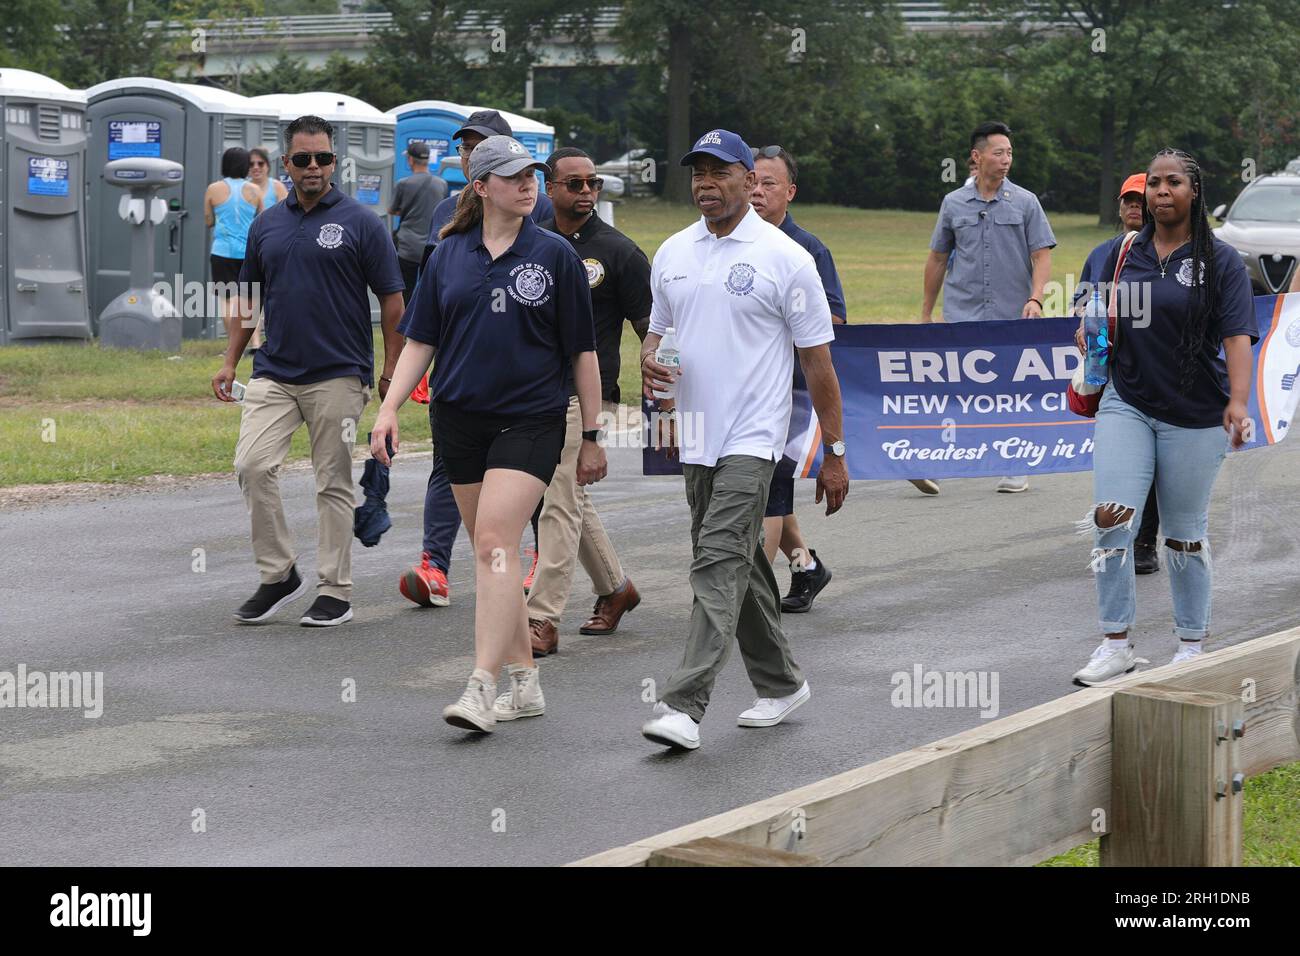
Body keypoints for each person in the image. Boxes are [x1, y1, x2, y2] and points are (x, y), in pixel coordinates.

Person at [370, 135, 606, 733]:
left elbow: (583, 352)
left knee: (496, 543)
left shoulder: (554, 256)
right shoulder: (446, 254)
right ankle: (526, 686)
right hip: (459, 421)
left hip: (531, 420)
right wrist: (389, 408)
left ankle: (481, 685)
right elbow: (421, 338)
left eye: (532, 175)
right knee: (491, 554)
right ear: (480, 187)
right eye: (512, 176)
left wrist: (594, 432)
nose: (528, 184)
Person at [638, 129, 848, 751]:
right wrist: (650, 362)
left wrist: (833, 453)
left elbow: (819, 366)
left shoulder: (787, 258)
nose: (705, 182)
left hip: (755, 435)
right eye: (696, 171)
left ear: (748, 180)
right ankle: (782, 683)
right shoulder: (673, 251)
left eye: (719, 171)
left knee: (716, 558)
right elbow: (657, 337)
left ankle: (684, 703)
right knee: (741, 561)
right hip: (693, 434)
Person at [211, 115, 407, 627]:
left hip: (339, 373)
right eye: (303, 159)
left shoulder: (362, 222)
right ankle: (278, 575)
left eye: (322, 158)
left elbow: (392, 301)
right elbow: (248, 297)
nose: (314, 167)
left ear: (334, 163)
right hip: (273, 370)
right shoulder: (266, 223)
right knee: (251, 466)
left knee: (332, 481)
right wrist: (231, 359)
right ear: (286, 165)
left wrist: (390, 371)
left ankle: (335, 589)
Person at [1070, 148, 1256, 686]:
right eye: (1154, 183)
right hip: (1126, 401)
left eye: (1173, 182)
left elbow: (1238, 336)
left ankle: (1191, 647)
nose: (1161, 192)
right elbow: (1091, 312)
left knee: (1182, 535)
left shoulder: (1219, 261)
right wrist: (1088, 330)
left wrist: (1238, 402)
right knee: (1111, 516)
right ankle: (1114, 643)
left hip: (1196, 415)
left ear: (1193, 192)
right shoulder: (1120, 252)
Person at [399, 109, 553, 609]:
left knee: (528, 477)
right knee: (449, 465)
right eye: (463, 146)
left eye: (479, 145)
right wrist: (421, 366)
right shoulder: (447, 212)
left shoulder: (537, 207)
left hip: (528, 385)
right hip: (461, 377)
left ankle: (540, 557)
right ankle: (435, 566)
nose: (467, 153)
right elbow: (436, 292)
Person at [523, 146, 650, 655]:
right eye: (573, 183)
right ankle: (617, 589)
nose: (585, 192)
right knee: (568, 498)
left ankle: (541, 618)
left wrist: (666, 384)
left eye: (592, 183)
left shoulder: (619, 252)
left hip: (587, 396)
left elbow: (653, 331)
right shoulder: (530, 241)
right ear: (549, 187)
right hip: (531, 392)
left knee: (556, 502)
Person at [922, 120, 1056, 494]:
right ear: (977, 157)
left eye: (1010, 153)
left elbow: (1041, 256)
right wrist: (926, 313)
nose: (1006, 159)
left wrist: (1036, 299)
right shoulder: (953, 204)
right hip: (962, 312)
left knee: (1010, 389)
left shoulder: (1026, 202)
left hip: (1012, 314)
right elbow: (937, 259)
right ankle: (927, 461)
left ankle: (1014, 464)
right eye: (999, 152)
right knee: (953, 389)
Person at [747, 144, 844, 613]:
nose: (757, 192)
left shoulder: (807, 250)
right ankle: (806, 566)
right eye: (751, 182)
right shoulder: (727, 242)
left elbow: (834, 323)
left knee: (767, 494)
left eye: (768, 183)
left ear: (790, 192)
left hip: (789, 397)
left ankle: (750, 602)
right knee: (759, 490)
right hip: (735, 395)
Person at [1074, 172, 1163, 575]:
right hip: (1116, 376)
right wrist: (1085, 326)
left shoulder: (1168, 253)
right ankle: (1120, 537)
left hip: (1159, 373)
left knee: (1159, 465)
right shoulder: (1103, 253)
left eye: (1138, 200)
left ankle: (1146, 542)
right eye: (1126, 200)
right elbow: (1082, 304)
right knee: (1123, 462)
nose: (1132, 206)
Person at [204, 147, 262, 339]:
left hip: (222, 252)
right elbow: (261, 219)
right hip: (248, 252)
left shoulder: (213, 189)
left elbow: (208, 221)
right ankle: (254, 344)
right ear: (246, 165)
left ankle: (233, 344)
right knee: (250, 300)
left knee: (227, 300)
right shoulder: (255, 190)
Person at [389, 141, 448, 304]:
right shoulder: (441, 184)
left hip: (407, 245)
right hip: (431, 247)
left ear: (410, 160)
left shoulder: (403, 184)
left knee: (404, 292)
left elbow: (392, 210)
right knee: (428, 291)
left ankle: (402, 327)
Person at [245, 147, 288, 350]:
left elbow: (289, 216)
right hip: (245, 248)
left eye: (260, 163)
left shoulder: (277, 187)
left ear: (268, 166)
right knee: (249, 295)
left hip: (272, 249)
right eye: (251, 164)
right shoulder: (242, 188)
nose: (256, 168)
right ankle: (254, 342)